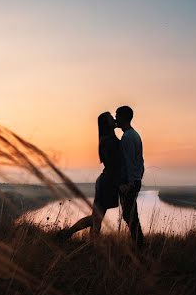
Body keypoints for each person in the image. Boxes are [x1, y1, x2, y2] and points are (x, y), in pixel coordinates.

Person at [58, 112, 121, 240]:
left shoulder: (108, 139)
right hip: (107, 182)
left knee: (98, 217)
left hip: (107, 181)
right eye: (111, 118)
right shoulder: (109, 141)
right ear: (106, 124)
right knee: (97, 217)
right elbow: (114, 164)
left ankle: (91, 242)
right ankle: (67, 234)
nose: (114, 119)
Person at [116, 105, 145, 248]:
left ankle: (140, 246)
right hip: (135, 180)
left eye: (117, 115)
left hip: (130, 182)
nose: (115, 118)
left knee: (130, 216)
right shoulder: (135, 135)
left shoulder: (127, 137)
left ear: (123, 117)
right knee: (131, 215)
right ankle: (139, 245)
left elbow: (128, 163)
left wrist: (130, 184)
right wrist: (139, 178)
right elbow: (140, 161)